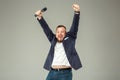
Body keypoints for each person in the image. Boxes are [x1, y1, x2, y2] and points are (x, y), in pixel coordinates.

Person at [35, 4, 82, 80]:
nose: (60, 34)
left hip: (65, 74)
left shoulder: (70, 39)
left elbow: (75, 26)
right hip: (52, 72)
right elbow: (46, 29)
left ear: (66, 33)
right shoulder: (53, 39)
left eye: (62, 32)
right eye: (58, 32)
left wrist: (77, 12)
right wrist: (39, 17)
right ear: (55, 33)